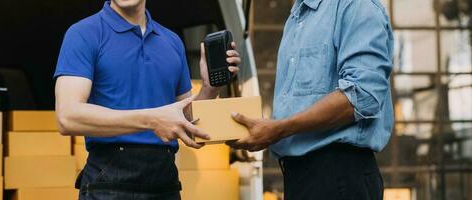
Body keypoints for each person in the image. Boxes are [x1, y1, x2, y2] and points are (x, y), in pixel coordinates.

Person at [54, 0, 241, 199]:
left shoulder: (172, 41)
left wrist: (209, 90)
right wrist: (152, 120)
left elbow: (186, 120)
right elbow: (68, 117)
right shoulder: (83, 33)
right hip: (108, 179)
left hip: (165, 180)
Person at [229, 0, 394, 199]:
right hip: (301, 177)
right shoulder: (298, 15)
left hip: (339, 176)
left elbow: (362, 96)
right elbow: (301, 104)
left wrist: (278, 129)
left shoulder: (355, 6)